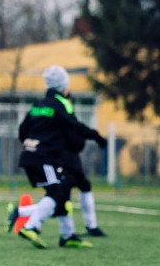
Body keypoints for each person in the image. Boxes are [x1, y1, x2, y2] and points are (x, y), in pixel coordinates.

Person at [11, 66, 107, 248]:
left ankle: (67, 235)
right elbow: (74, 125)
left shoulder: (37, 105)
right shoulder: (61, 103)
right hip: (45, 157)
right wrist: (96, 136)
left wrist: (32, 144)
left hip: (29, 155)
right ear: (64, 86)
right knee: (58, 193)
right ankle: (31, 226)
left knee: (62, 191)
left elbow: (22, 130)